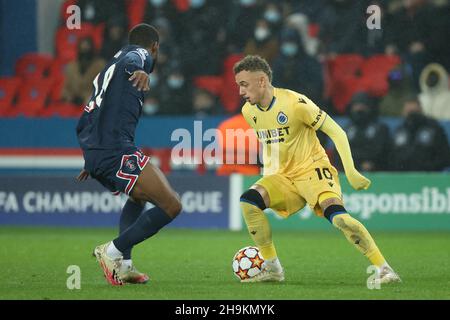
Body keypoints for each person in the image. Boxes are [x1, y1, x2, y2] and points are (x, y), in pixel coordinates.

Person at [233, 55, 400, 284]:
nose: (241, 91)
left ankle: (384, 269)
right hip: (283, 176)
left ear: (261, 81)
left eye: (244, 84)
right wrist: (268, 179)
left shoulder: (295, 103)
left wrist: (350, 170)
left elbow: (336, 131)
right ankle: (273, 268)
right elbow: (271, 146)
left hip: (313, 171)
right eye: (238, 85)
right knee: (249, 201)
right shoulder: (248, 112)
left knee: (340, 219)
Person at [76, 24, 182, 286]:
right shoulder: (138, 55)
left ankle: (124, 266)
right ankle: (111, 251)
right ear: (155, 46)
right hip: (115, 148)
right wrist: (140, 70)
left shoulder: (109, 67)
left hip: (101, 148)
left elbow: (91, 110)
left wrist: (92, 155)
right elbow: (136, 58)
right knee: (172, 205)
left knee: (138, 197)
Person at [390, 96, 450, 171]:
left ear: (420, 111)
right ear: (403, 112)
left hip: (429, 177)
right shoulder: (399, 132)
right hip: (402, 177)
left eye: (414, 112)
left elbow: (445, 157)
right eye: (409, 113)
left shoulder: (434, 129)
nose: (412, 117)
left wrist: (429, 167)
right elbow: (391, 157)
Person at [338, 92, 392, 172]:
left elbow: (382, 151)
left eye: (363, 105)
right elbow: (339, 153)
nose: (359, 108)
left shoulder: (381, 129)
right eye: (356, 105)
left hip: (377, 173)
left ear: (369, 107)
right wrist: (355, 164)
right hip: (349, 172)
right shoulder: (345, 130)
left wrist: (372, 163)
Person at [62, 37, 106, 105]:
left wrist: (86, 97)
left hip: (92, 102)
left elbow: (103, 88)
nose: (84, 53)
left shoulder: (100, 65)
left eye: (87, 49)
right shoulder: (71, 67)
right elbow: (65, 90)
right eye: (82, 50)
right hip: (73, 103)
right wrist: (71, 98)